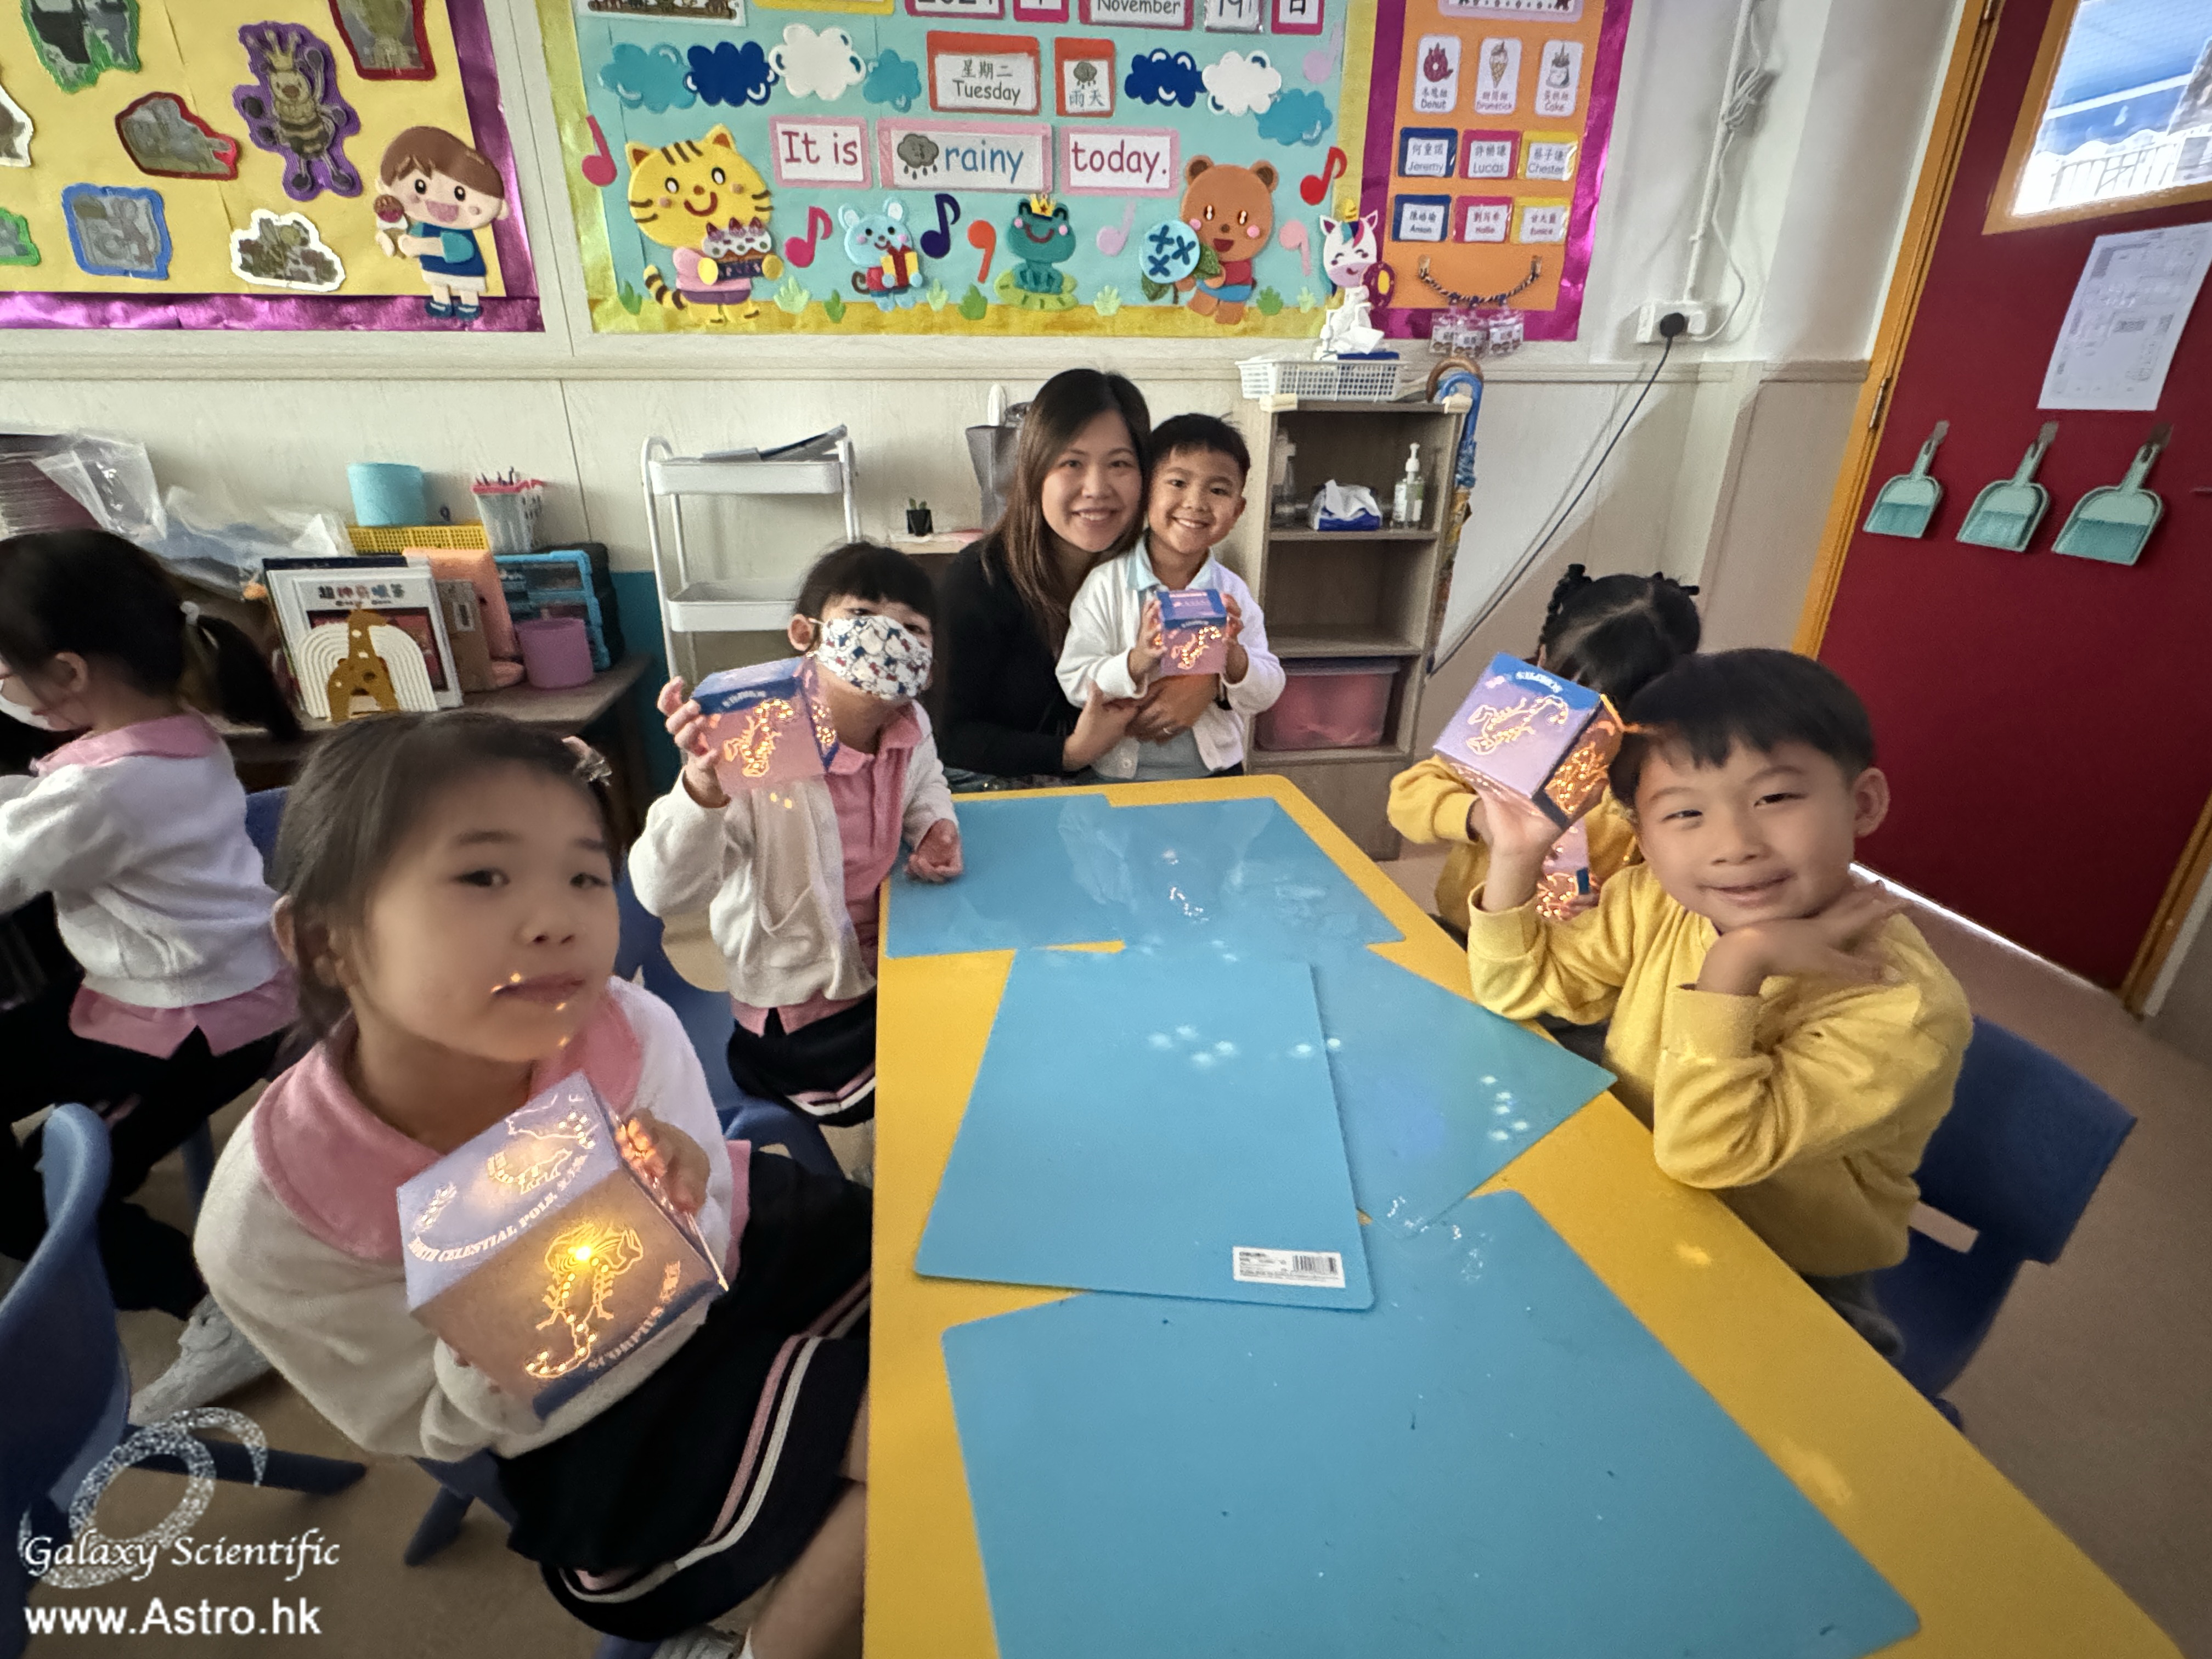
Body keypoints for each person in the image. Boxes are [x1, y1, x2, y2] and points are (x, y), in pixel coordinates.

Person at [196, 713, 870, 1658]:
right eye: (483, 876)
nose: (559, 920)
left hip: (733, 1267)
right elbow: (418, 1419)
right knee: (925, 1431)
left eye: (585, 876)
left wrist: (687, 1196)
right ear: (325, 940)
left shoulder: (624, 1031)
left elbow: (714, 1219)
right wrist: (511, 1325)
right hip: (600, 1417)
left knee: (952, 1308)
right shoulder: (277, 1219)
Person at [1462, 650, 1968, 1357]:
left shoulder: (1902, 1006)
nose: (1735, 845)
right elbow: (1515, 989)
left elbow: (1706, 1153)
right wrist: (1516, 855)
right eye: (1685, 813)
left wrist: (1735, 966)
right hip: (1639, 1174)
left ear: (1863, 803)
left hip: (1789, 1263)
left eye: (1775, 799)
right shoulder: (1655, 899)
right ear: (1642, 836)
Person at [0, 531, 297, 1363]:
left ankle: (209, 1305)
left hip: (190, 1026)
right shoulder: (177, 734)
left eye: (3, 673)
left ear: (68, 672)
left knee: (47, 1200)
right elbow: (52, 805)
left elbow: (29, 847)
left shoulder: (102, 792)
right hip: (196, 986)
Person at [634, 544, 960, 1166]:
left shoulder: (909, 725)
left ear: (927, 665)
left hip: (884, 971)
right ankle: (889, 1179)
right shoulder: (756, 739)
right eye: (862, 615)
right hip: (798, 1027)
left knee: (980, 1014)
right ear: (806, 635)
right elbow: (664, 890)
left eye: (912, 628)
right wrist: (702, 790)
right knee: (949, 1070)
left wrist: (934, 825)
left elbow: (927, 781)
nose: (886, 637)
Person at [1389, 565, 1700, 935]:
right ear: (1541, 659)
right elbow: (1408, 797)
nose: (1581, 727)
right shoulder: (1510, 719)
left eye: (1611, 717)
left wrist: (1611, 904)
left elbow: (1663, 886)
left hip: (1567, 947)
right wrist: (1477, 817)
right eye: (1567, 696)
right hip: (1468, 922)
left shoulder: (1657, 774)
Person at [939, 368, 1207, 788]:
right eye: (1072, 463)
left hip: (1117, 787)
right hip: (996, 789)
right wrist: (1069, 753)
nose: (1096, 488)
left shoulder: (1160, 568)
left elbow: (1222, 647)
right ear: (1035, 472)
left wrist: (1208, 684)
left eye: (1119, 463)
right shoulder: (980, 579)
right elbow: (944, 733)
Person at [1056, 413, 1284, 782]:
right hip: (1120, 777)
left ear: (1238, 510)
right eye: (1178, 483)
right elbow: (1074, 681)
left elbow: (1268, 689)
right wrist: (1136, 661)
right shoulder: (1106, 585)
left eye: (1218, 490)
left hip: (1214, 775)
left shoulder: (1232, 593)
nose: (1196, 502)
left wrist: (1234, 659)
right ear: (1145, 492)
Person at [376, 125, 507, 320]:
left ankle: (470, 305)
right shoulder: (424, 225)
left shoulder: (461, 232)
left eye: (460, 194)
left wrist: (420, 246)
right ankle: (441, 302)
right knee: (437, 284)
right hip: (434, 267)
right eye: (420, 187)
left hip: (465, 269)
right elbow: (412, 234)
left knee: (466, 287)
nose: (440, 202)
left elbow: (462, 250)